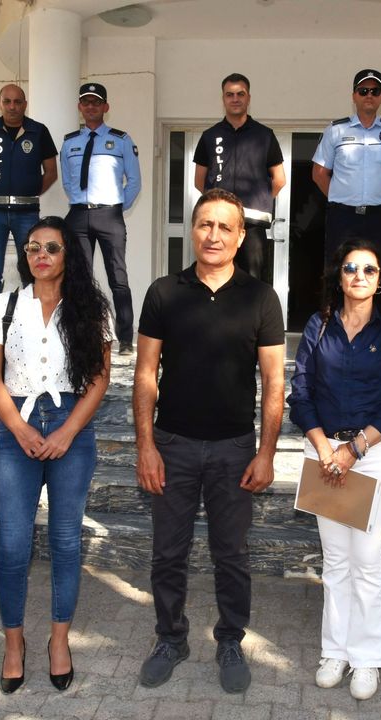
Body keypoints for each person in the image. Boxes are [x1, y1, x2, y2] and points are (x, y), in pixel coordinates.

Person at [133, 188, 285, 694]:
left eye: (225, 227)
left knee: (232, 555)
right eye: (205, 224)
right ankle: (171, 638)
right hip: (172, 445)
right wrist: (146, 447)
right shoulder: (164, 293)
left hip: (234, 449)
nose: (213, 235)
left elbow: (274, 382)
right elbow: (145, 374)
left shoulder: (261, 298)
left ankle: (230, 640)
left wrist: (266, 453)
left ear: (241, 237)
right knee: (167, 553)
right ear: (192, 230)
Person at [0, 216, 112, 694]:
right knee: (13, 544)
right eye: (33, 247)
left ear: (67, 255)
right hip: (15, 424)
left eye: (52, 248)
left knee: (65, 541)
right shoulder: (5, 304)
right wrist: (18, 429)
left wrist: (67, 433)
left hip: (69, 425)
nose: (41, 255)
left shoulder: (89, 307)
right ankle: (14, 643)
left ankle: (59, 640)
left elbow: (99, 378)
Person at [287, 238, 381, 701]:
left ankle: (367, 658)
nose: (359, 275)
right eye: (350, 268)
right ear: (338, 277)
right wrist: (325, 448)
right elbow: (301, 394)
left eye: (369, 270)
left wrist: (353, 450)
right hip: (323, 452)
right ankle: (335, 652)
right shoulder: (318, 326)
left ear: (380, 282)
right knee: (336, 560)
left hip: (372, 454)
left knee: (367, 560)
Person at [60, 82, 141, 355]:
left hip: (109, 216)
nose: (91, 106)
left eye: (96, 102)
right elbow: (68, 181)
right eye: (86, 102)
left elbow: (134, 182)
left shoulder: (121, 140)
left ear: (106, 107)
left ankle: (125, 338)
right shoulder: (69, 142)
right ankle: (83, 335)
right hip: (78, 215)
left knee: (118, 277)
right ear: (79, 107)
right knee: (79, 278)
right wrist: (81, 202)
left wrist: (116, 207)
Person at [312, 69, 381, 264]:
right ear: (354, 96)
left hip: (378, 217)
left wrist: (380, 196)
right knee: (338, 270)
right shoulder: (336, 130)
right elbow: (319, 173)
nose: (369, 95)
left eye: (375, 91)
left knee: (379, 270)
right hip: (342, 216)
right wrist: (340, 197)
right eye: (363, 91)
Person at [0, 83, 59, 313]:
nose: (12, 107)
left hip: (27, 213)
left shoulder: (38, 131)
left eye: (17, 102)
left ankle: (31, 320)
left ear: (25, 104)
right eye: (7, 101)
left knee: (31, 269)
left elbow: (51, 172)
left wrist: (30, 191)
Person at [193, 73, 286, 279]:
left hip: (253, 223)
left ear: (248, 98)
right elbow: (199, 181)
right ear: (223, 99)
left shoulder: (265, 135)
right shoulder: (209, 136)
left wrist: (259, 198)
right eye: (230, 94)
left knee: (252, 281)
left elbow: (279, 179)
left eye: (240, 94)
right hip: (218, 222)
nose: (235, 99)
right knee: (215, 275)